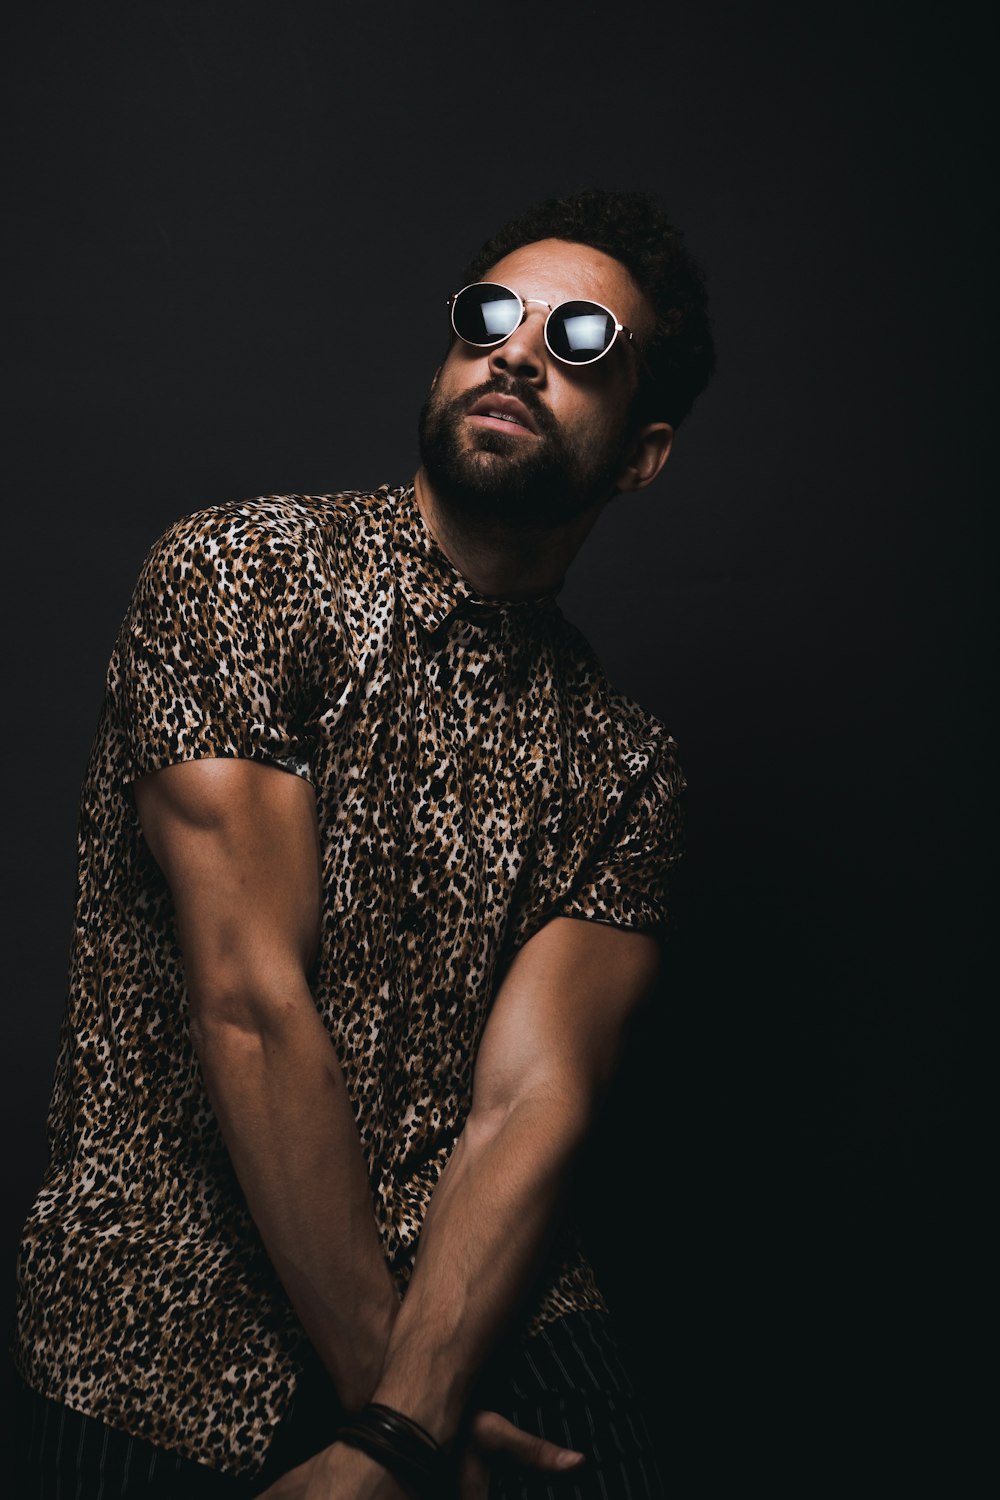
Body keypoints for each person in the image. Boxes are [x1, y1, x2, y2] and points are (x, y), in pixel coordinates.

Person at [12, 188, 714, 1498]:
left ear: (643, 452)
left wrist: (406, 1421)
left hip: (486, 1302)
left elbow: (530, 1104)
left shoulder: (626, 766)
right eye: (491, 318)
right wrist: (401, 1429)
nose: (518, 351)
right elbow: (253, 1003)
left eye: (580, 342)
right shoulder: (237, 577)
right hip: (167, 1315)